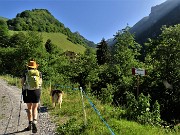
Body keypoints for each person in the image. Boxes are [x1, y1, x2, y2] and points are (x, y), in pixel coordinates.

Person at [21, 60, 42, 133]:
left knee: (29, 108)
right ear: (35, 66)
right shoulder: (39, 73)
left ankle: (30, 124)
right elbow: (40, 83)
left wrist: (24, 87)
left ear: (28, 67)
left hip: (27, 92)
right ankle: (35, 122)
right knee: (35, 108)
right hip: (36, 92)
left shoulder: (25, 72)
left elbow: (22, 82)